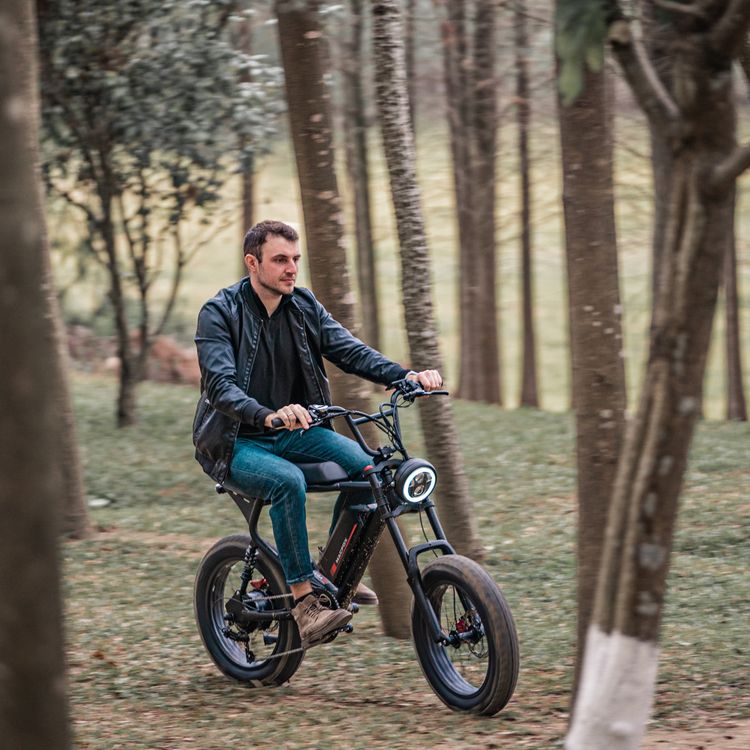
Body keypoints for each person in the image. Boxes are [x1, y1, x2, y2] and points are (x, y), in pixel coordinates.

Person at [193, 219, 442, 649]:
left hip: (294, 431)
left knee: (372, 470)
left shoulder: (303, 306)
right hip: (235, 441)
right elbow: (221, 387)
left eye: (295, 259)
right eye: (280, 260)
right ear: (252, 263)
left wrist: (404, 375)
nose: (292, 269)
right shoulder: (219, 313)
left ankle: (332, 571)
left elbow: (350, 351)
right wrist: (267, 416)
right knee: (287, 482)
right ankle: (305, 604)